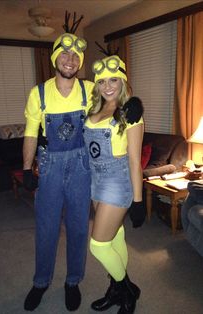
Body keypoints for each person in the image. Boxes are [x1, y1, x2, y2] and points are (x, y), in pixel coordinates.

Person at [22, 15, 143, 311]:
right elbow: (29, 134)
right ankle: (40, 282)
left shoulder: (90, 89)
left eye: (75, 55)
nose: (69, 59)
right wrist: (26, 167)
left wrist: (133, 103)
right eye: (63, 53)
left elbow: (115, 92)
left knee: (80, 229)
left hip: (83, 169)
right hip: (52, 168)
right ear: (54, 58)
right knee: (47, 227)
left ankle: (73, 281)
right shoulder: (38, 94)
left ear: (79, 62)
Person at [83, 54, 145, 314]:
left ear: (123, 81)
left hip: (117, 182)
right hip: (95, 181)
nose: (107, 86)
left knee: (97, 244)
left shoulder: (130, 113)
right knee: (114, 236)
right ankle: (118, 289)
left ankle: (126, 290)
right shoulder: (93, 108)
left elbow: (134, 161)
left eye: (114, 80)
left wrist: (138, 202)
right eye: (102, 81)